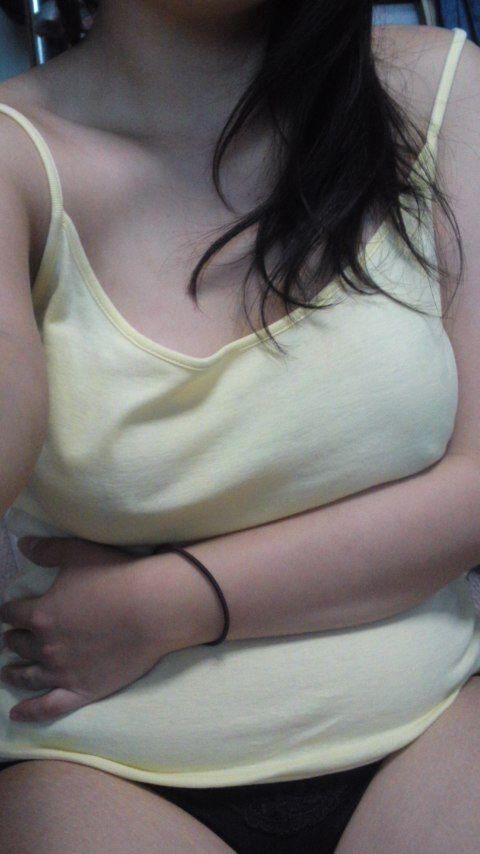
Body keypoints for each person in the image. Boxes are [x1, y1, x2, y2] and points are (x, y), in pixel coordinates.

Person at [0, 2, 479, 852]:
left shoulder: (438, 87)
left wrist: (170, 604)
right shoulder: (15, 156)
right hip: (94, 764)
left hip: (432, 721)